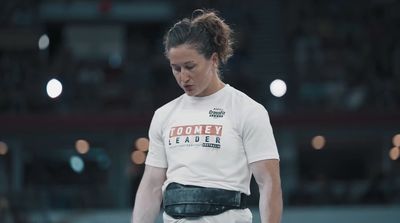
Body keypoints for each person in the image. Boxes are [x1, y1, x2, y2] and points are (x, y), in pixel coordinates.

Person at [131, 9, 282, 223]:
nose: (183, 77)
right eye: (176, 68)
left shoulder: (247, 110)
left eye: (190, 66)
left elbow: (269, 183)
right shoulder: (164, 115)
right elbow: (152, 185)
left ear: (213, 60)